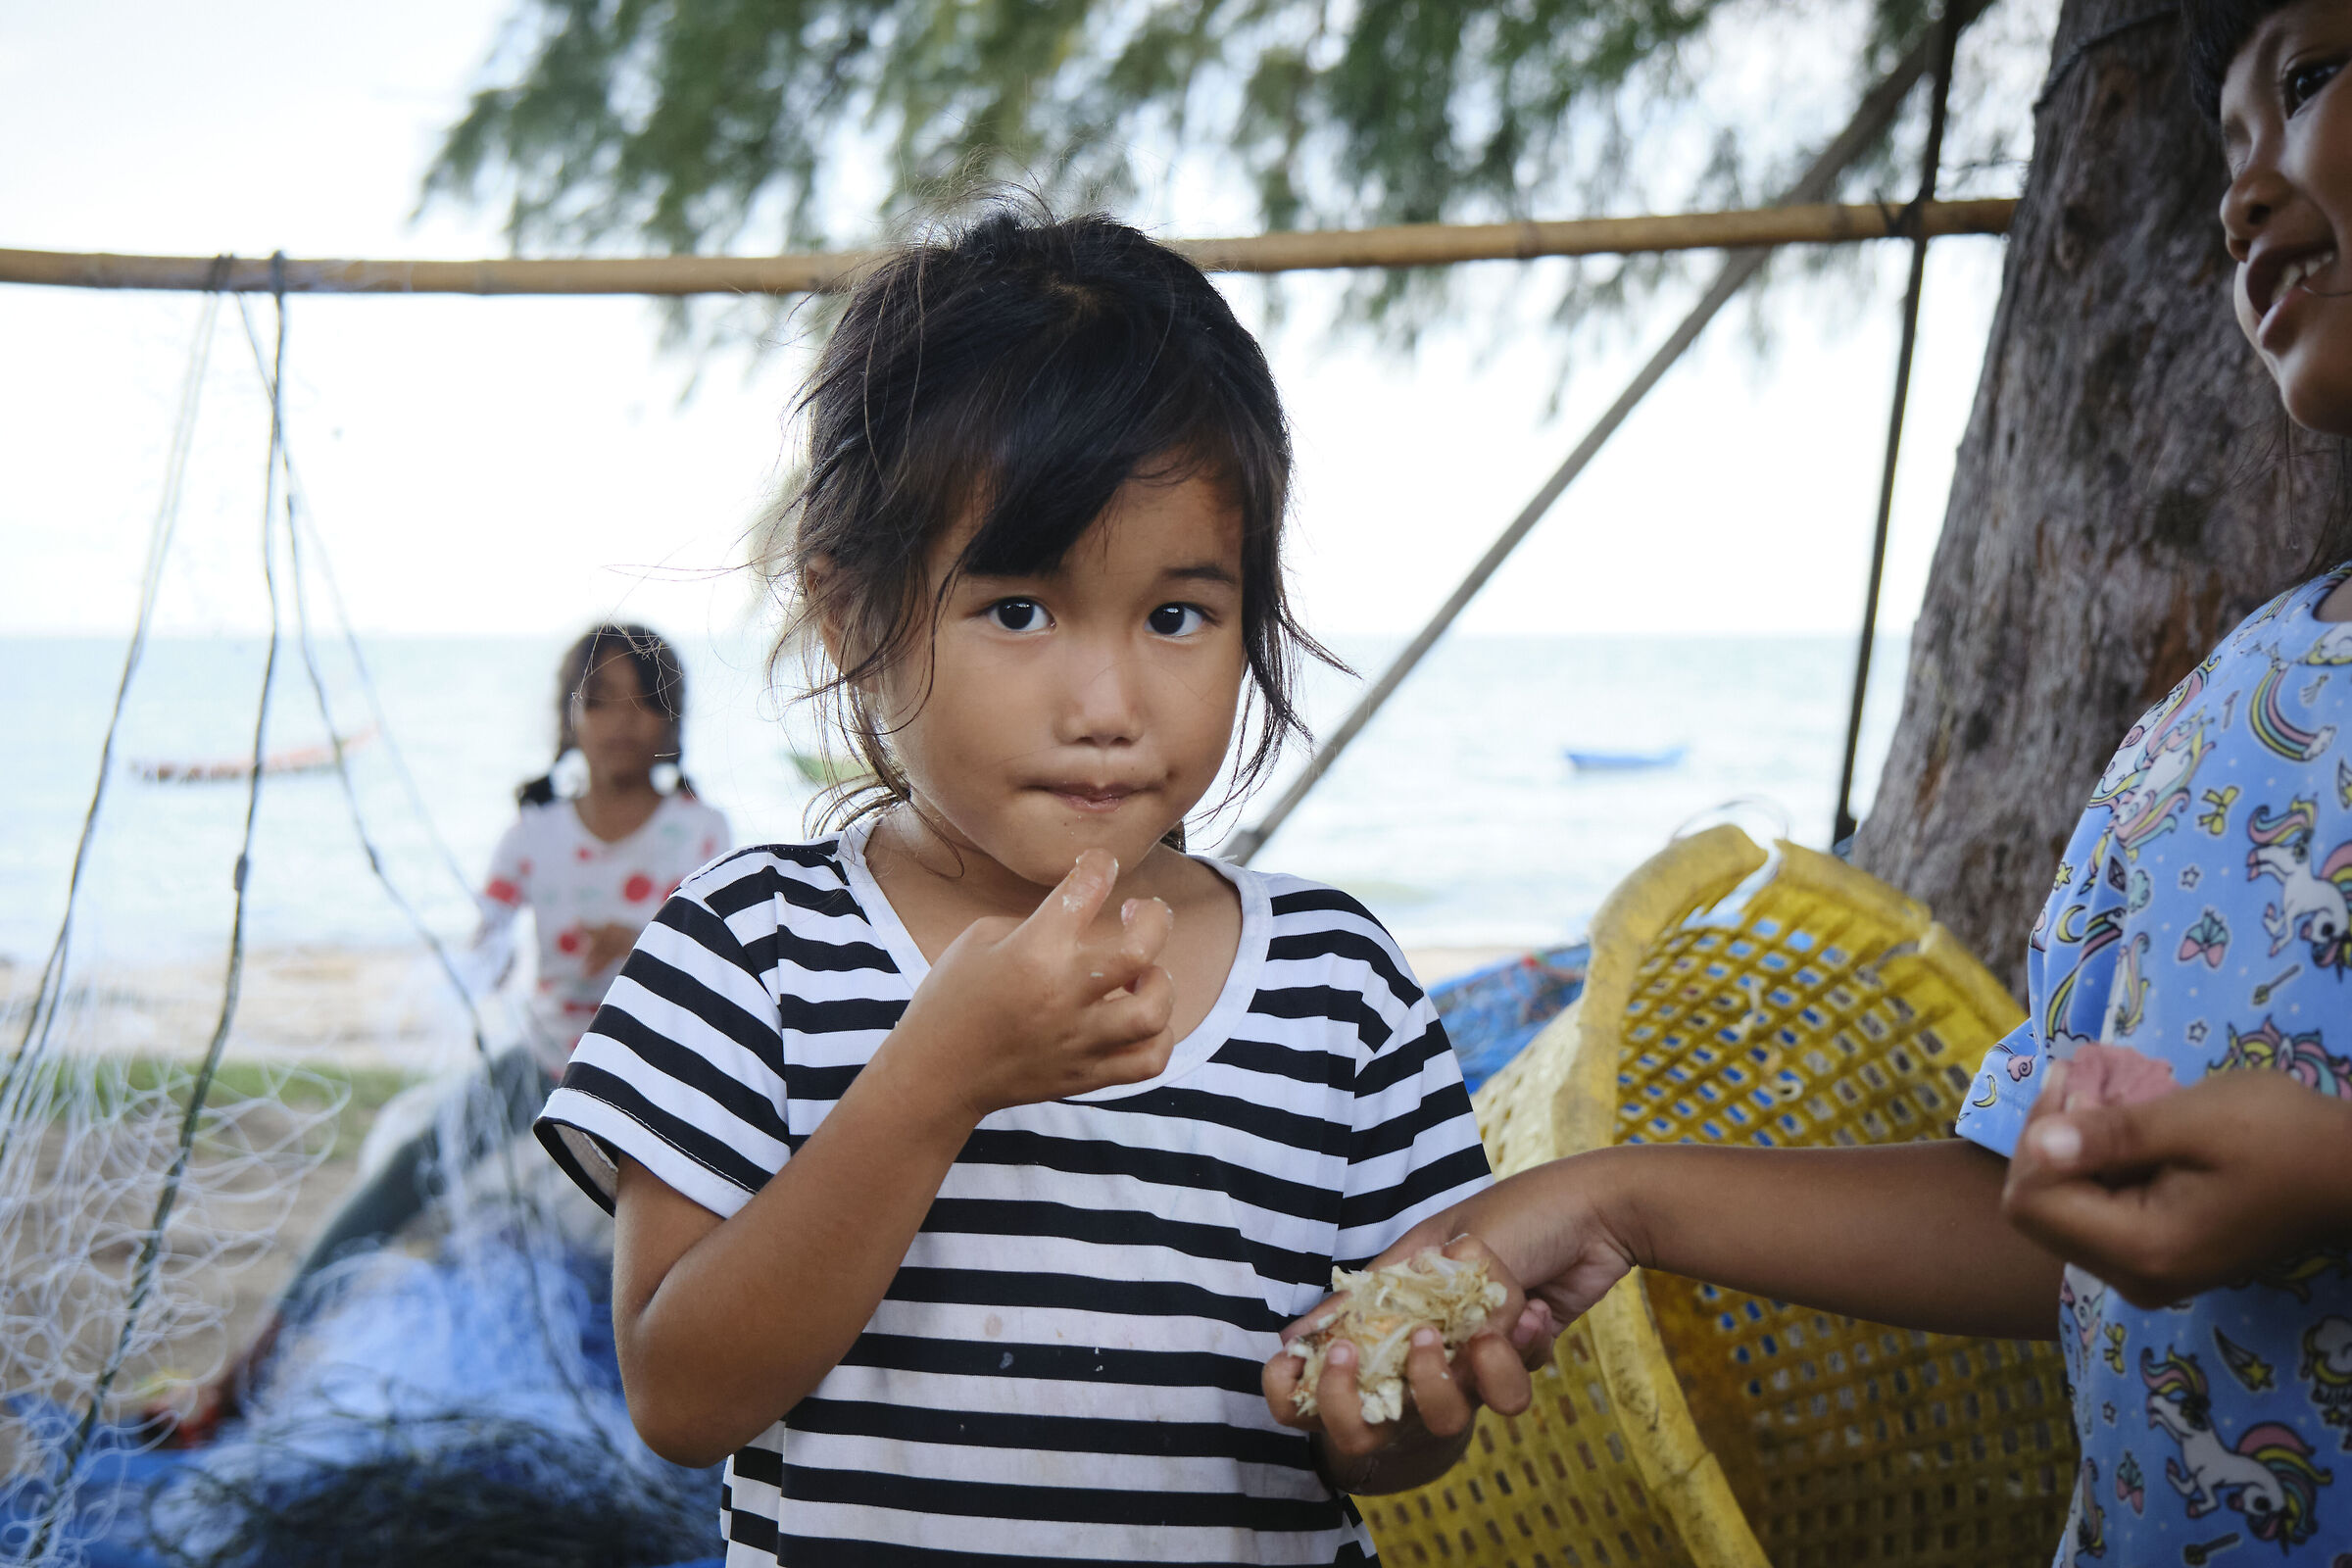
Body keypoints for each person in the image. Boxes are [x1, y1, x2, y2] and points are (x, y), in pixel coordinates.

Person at [1278, 5, 2352, 1559]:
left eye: (2312, 83)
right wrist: (1616, 1200)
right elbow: (2037, 1222)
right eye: (2224, 151)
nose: (2241, 194)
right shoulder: (2217, 716)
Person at [531, 208, 1544, 1566]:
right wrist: (934, 1079)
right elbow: (682, 1395)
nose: (1109, 704)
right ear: (853, 620)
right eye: (1019, 610)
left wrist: (1396, 1417)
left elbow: (1387, 1396)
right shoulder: (753, 956)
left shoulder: (1333, 988)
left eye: (1178, 615)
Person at [156, 622, 730, 1445]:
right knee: (401, 1175)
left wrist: (641, 936)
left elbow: (721, 958)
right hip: (546, 1064)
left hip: (656, 1081)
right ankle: (244, 1370)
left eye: (642, 702)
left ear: (672, 721)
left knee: (670, 1235)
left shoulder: (702, 831)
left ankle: (682, 1407)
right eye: (600, 700)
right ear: (568, 718)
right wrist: (470, 974)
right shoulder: (534, 834)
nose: (621, 721)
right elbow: (487, 942)